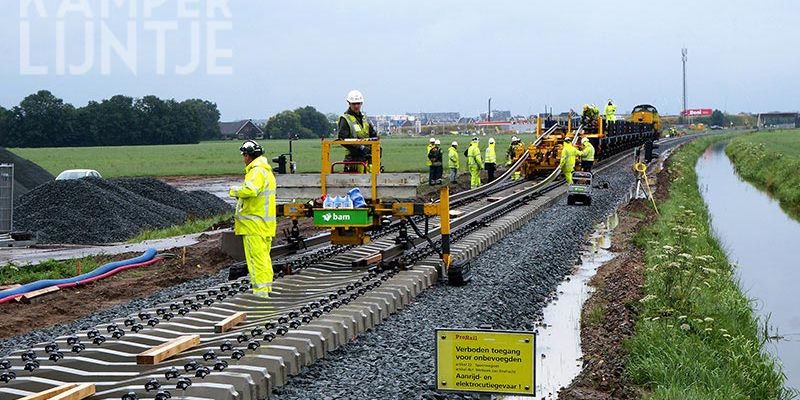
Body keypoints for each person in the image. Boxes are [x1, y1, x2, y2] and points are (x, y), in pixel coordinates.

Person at [228, 140, 276, 298]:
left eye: (244, 155)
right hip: (264, 224)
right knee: (264, 259)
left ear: (249, 156)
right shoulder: (266, 171)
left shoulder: (256, 171)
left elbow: (250, 190)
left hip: (253, 225)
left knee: (256, 261)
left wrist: (234, 191)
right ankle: (266, 289)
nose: (243, 158)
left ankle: (260, 294)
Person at [337, 90, 378, 172]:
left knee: (371, 181)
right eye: (354, 104)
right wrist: (360, 148)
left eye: (358, 103)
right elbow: (342, 139)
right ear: (349, 103)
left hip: (368, 157)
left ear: (361, 103)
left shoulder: (364, 118)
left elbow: (372, 135)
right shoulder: (345, 119)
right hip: (353, 158)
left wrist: (376, 146)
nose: (356, 106)